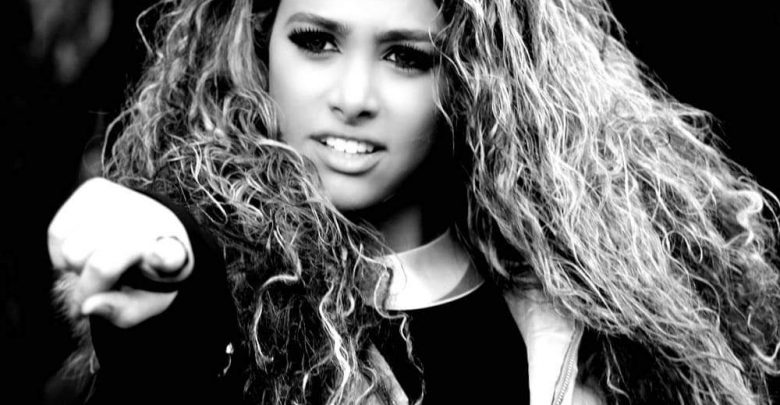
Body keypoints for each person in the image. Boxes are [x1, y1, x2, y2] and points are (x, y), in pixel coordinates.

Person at [46, 0, 780, 404]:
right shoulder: (226, 292)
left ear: (474, 77)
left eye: (405, 56)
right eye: (317, 41)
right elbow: (172, 350)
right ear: (260, 48)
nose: (353, 97)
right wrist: (163, 275)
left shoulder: (585, 313)